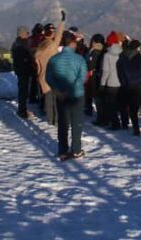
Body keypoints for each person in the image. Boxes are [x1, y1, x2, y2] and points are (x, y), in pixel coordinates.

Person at [46, 30, 87, 160]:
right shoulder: (79, 59)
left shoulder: (53, 59)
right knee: (77, 123)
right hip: (77, 95)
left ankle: (63, 150)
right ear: (73, 43)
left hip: (61, 95)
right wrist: (74, 87)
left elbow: (49, 78)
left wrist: (58, 89)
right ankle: (76, 149)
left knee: (63, 124)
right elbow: (83, 78)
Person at [117, 39, 141, 137]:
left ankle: (136, 129)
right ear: (137, 48)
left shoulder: (122, 59)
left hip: (129, 87)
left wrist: (126, 83)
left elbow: (120, 75)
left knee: (133, 109)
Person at [35, 12, 66, 125]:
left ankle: (50, 118)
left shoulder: (39, 50)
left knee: (48, 98)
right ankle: (57, 119)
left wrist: (39, 77)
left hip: (43, 77)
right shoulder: (53, 45)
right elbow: (59, 34)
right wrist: (62, 21)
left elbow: (38, 67)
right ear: (51, 35)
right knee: (56, 99)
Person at [100, 31, 124, 130]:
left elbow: (105, 70)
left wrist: (102, 83)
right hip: (122, 82)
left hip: (111, 82)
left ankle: (115, 123)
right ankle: (124, 122)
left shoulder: (107, 55)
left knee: (111, 104)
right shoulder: (122, 52)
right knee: (120, 103)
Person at [11, 26, 36, 120]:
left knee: (23, 90)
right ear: (23, 33)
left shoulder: (17, 43)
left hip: (20, 70)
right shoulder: (21, 44)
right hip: (23, 70)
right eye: (27, 33)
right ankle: (22, 111)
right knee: (23, 91)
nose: (28, 34)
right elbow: (24, 57)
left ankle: (22, 109)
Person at [86, 34, 105, 120]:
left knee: (95, 95)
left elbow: (90, 65)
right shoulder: (104, 50)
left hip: (93, 76)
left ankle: (99, 116)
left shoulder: (94, 51)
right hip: (102, 75)